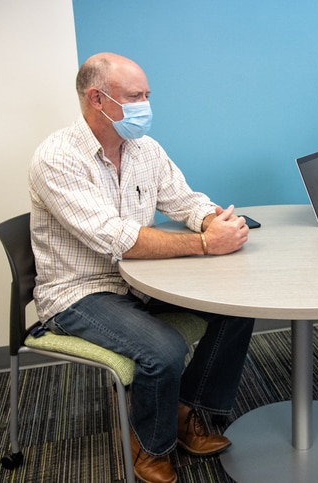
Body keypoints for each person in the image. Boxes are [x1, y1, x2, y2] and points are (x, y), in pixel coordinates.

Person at [28, 52, 256, 483]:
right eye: (135, 96)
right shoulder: (57, 159)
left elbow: (184, 200)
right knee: (164, 350)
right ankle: (150, 446)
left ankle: (186, 410)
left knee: (239, 307)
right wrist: (207, 244)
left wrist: (213, 221)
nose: (145, 105)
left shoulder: (144, 149)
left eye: (147, 95)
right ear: (98, 99)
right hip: (80, 293)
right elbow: (115, 237)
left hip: (141, 283)